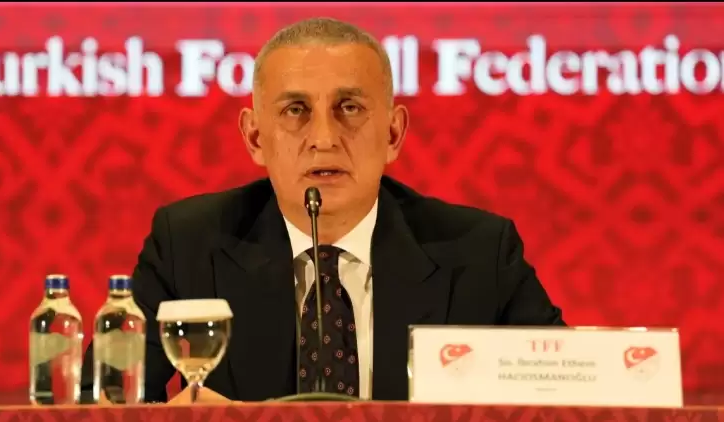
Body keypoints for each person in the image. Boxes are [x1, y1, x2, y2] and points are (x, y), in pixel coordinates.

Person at [80, 17, 565, 404]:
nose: (325, 138)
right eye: (295, 110)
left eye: (349, 107)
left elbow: (572, 397)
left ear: (393, 133)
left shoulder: (480, 253)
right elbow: (96, 402)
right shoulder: (187, 245)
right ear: (254, 137)